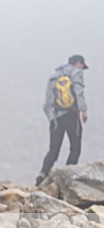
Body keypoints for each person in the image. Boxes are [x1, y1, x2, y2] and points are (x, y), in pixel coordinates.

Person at [36, 54, 89, 185]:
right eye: (82, 66)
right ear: (78, 63)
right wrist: (83, 110)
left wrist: (52, 119)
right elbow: (79, 92)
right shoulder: (76, 73)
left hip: (56, 118)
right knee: (75, 148)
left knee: (53, 150)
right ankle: (67, 177)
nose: (81, 68)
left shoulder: (53, 77)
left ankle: (42, 175)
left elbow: (47, 101)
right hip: (72, 116)